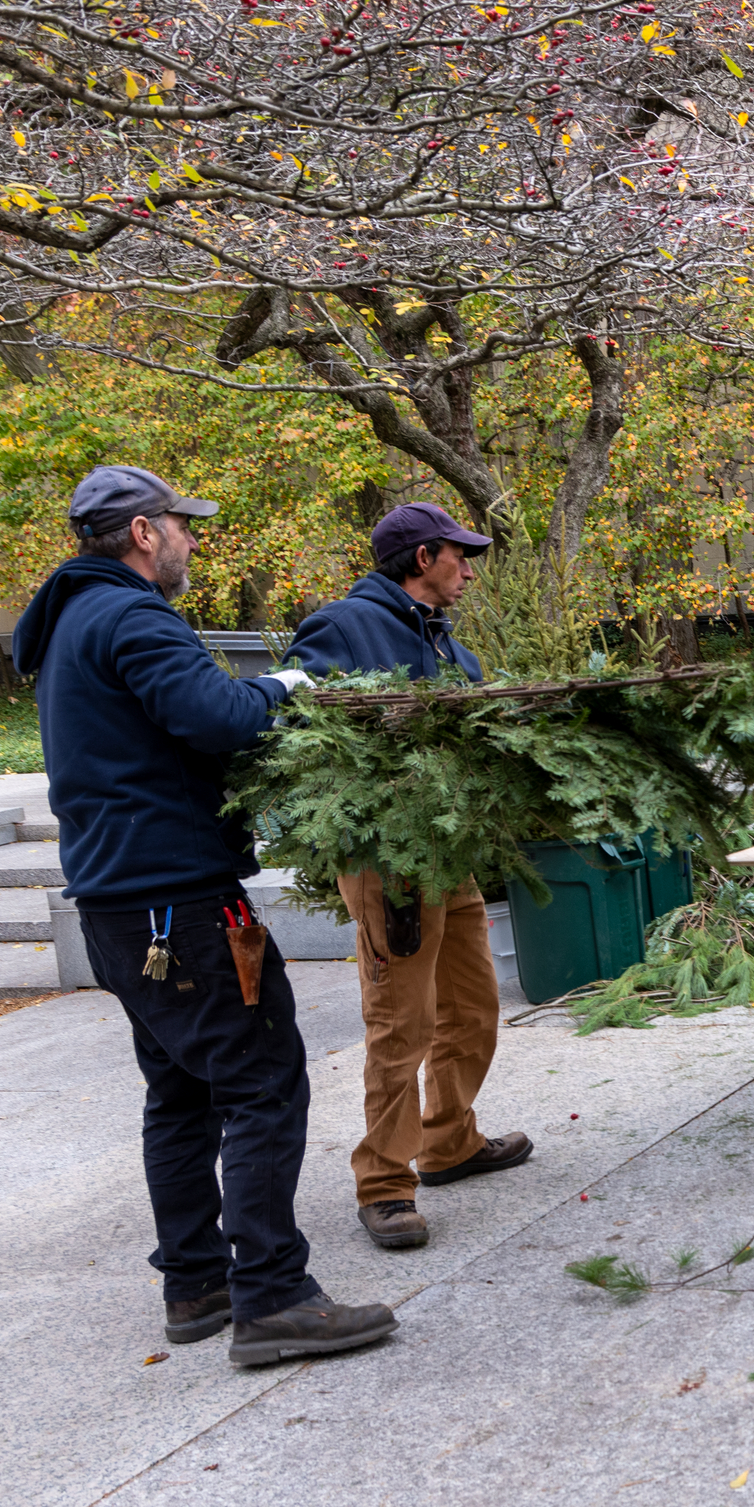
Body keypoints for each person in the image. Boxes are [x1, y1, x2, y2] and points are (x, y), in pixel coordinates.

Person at [12, 464, 398, 1367]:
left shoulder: (73, 619)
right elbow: (217, 716)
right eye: (183, 525)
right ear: (144, 533)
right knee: (262, 1081)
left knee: (181, 1091)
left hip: (119, 904)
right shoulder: (133, 614)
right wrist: (286, 690)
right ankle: (273, 1297)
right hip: (178, 900)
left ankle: (196, 1282)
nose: (193, 539)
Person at [285, 503, 534, 1250]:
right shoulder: (342, 626)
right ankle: (386, 1185)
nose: (469, 569)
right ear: (423, 557)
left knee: (474, 1006)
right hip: (388, 863)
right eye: (461, 555)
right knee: (402, 1020)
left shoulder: (447, 642)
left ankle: (449, 1141)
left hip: (448, 856)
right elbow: (312, 724)